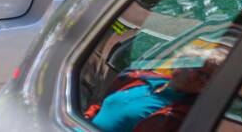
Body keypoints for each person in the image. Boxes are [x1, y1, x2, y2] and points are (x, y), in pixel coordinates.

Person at [85, 46, 227, 132]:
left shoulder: (186, 114)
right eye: (196, 67)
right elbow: (103, 107)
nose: (195, 76)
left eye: (207, 76)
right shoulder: (137, 78)